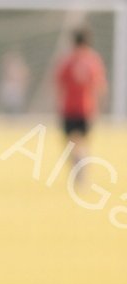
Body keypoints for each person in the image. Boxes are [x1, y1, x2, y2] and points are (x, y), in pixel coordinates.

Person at [54, 28, 109, 189]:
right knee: (83, 143)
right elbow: (100, 86)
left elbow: (59, 84)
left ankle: (77, 174)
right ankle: (82, 174)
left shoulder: (67, 60)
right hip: (87, 109)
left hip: (69, 109)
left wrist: (57, 105)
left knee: (71, 144)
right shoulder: (93, 60)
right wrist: (101, 106)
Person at [0, 49, 31, 118]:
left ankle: (16, 117)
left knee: (16, 106)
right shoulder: (8, 68)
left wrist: (23, 86)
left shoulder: (20, 68)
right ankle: (8, 117)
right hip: (10, 88)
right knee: (8, 105)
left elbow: (25, 78)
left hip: (16, 89)